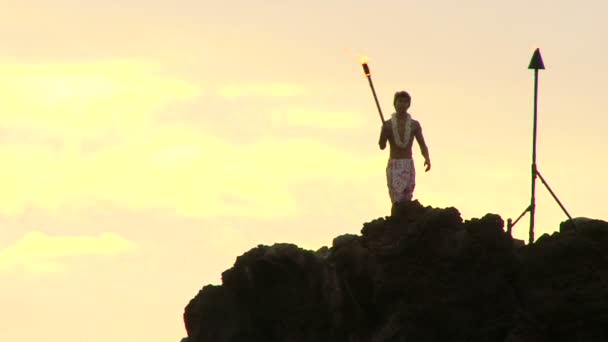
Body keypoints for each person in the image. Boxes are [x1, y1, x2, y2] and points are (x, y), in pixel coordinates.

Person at [379, 91, 431, 208]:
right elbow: (382, 146)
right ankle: (395, 221)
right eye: (399, 101)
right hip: (394, 164)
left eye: (405, 102)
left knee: (407, 197)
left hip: (408, 163)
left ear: (409, 104)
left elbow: (422, 144)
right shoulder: (388, 125)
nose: (402, 104)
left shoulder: (414, 125)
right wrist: (384, 132)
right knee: (396, 199)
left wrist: (427, 158)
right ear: (395, 104)